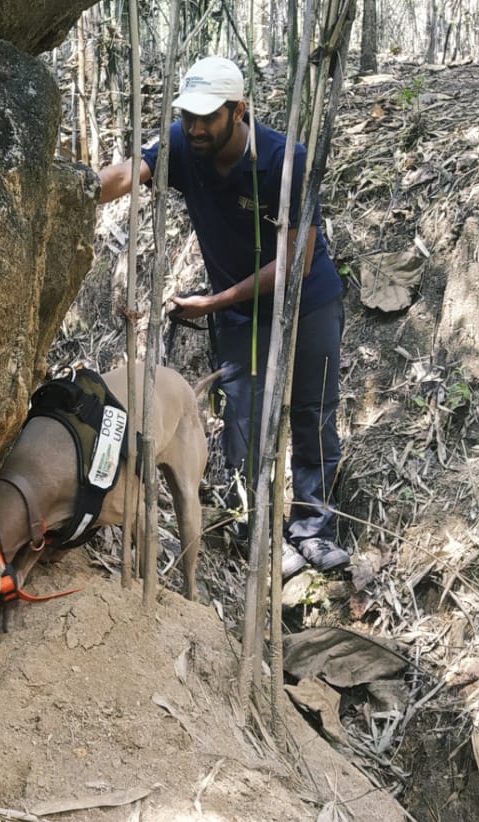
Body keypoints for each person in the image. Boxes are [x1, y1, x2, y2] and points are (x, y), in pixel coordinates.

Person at [96, 55, 349, 578]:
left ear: (239, 111)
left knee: (312, 410)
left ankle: (312, 529)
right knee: (242, 421)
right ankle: (251, 527)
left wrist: (213, 303)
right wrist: (77, 188)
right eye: (187, 115)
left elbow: (297, 262)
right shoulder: (185, 145)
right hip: (240, 315)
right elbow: (130, 172)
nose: (194, 127)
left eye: (207, 117)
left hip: (307, 302)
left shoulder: (286, 160)